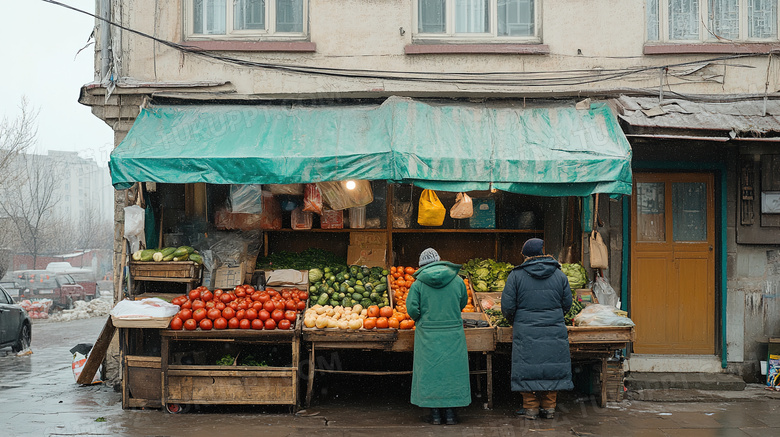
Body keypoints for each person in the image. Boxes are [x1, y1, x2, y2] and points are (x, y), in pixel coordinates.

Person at [501, 238, 573, 420]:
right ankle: (549, 408)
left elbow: (507, 307)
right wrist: (554, 317)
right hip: (553, 329)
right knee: (551, 367)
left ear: (525, 255)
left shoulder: (516, 275)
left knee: (527, 368)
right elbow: (567, 304)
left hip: (526, 330)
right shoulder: (559, 275)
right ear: (542, 252)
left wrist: (515, 320)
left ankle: (530, 408)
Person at [406, 248, 471, 425]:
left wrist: (423, 319)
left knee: (431, 372)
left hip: (427, 333)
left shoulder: (418, 284)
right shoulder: (457, 280)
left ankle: (435, 415)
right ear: (439, 260)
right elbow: (463, 303)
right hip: (453, 333)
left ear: (421, 265)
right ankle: (451, 415)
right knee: (452, 372)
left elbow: (412, 309)